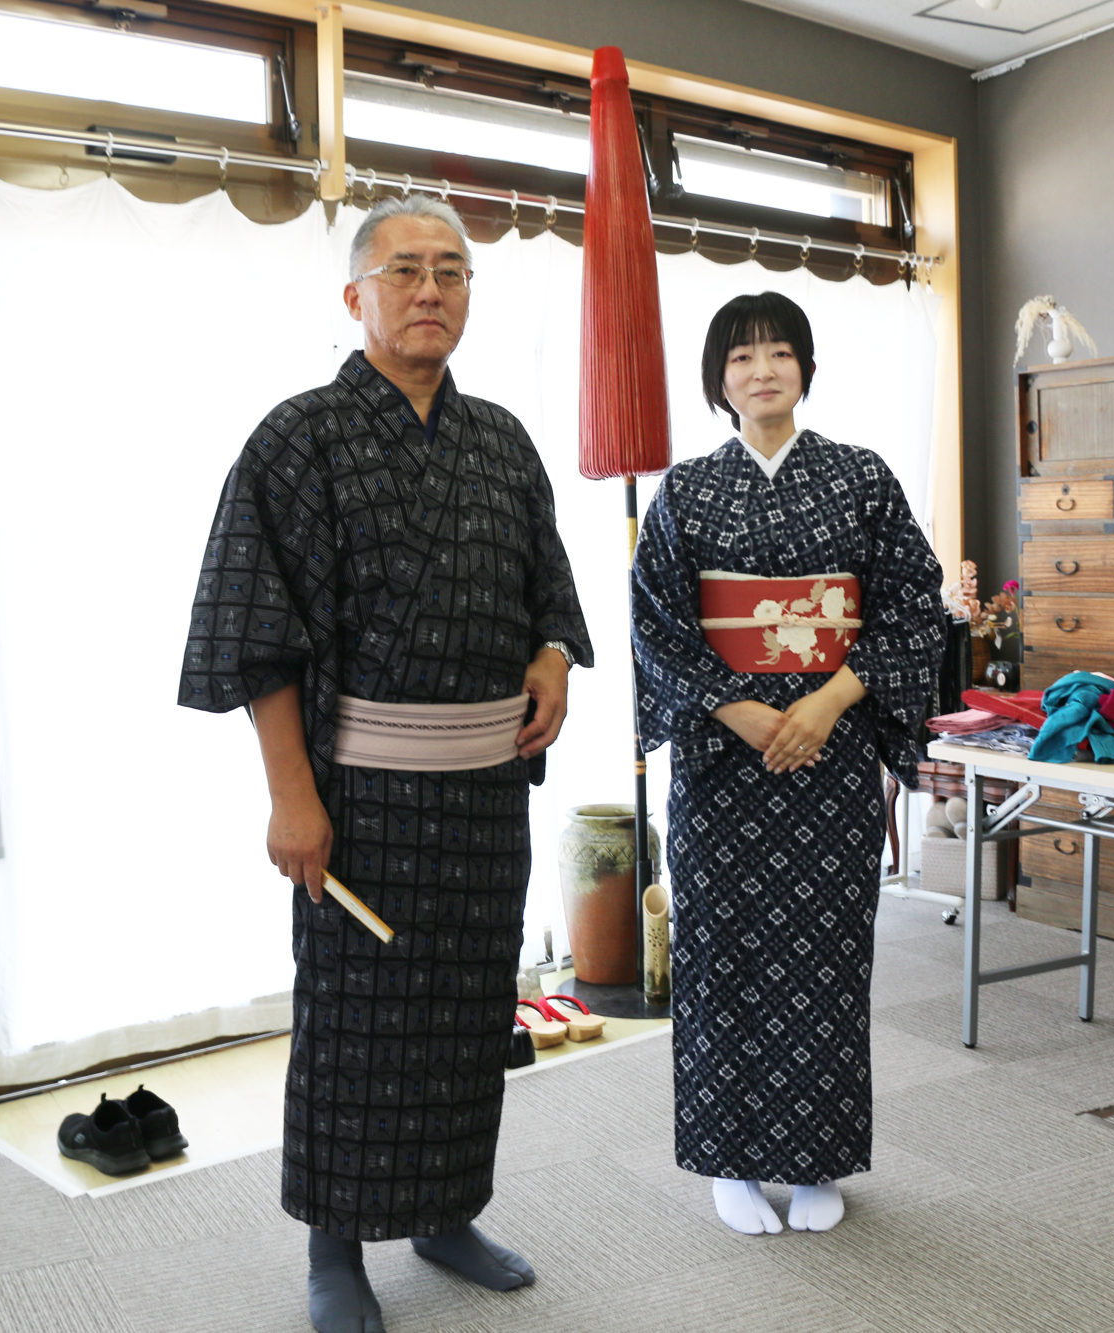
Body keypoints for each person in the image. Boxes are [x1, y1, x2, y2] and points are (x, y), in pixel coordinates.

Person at [179, 194, 591, 1333]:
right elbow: (256, 636)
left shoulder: (501, 440)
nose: (430, 291)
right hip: (359, 795)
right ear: (354, 293)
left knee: (467, 1013)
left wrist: (553, 658)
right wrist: (290, 798)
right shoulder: (297, 438)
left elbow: (548, 593)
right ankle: (335, 1244)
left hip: (484, 794)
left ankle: (445, 1212)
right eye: (405, 270)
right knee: (354, 1026)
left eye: (451, 272)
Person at [631, 291, 944, 1237]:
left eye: (778, 352)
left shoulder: (861, 477)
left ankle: (817, 1158)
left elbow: (912, 604)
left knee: (828, 953)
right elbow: (656, 623)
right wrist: (742, 710)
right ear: (718, 379)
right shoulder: (686, 490)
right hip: (722, 763)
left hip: (831, 753)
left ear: (805, 366)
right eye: (741, 357)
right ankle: (730, 1160)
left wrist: (826, 701)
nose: (761, 370)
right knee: (722, 953)